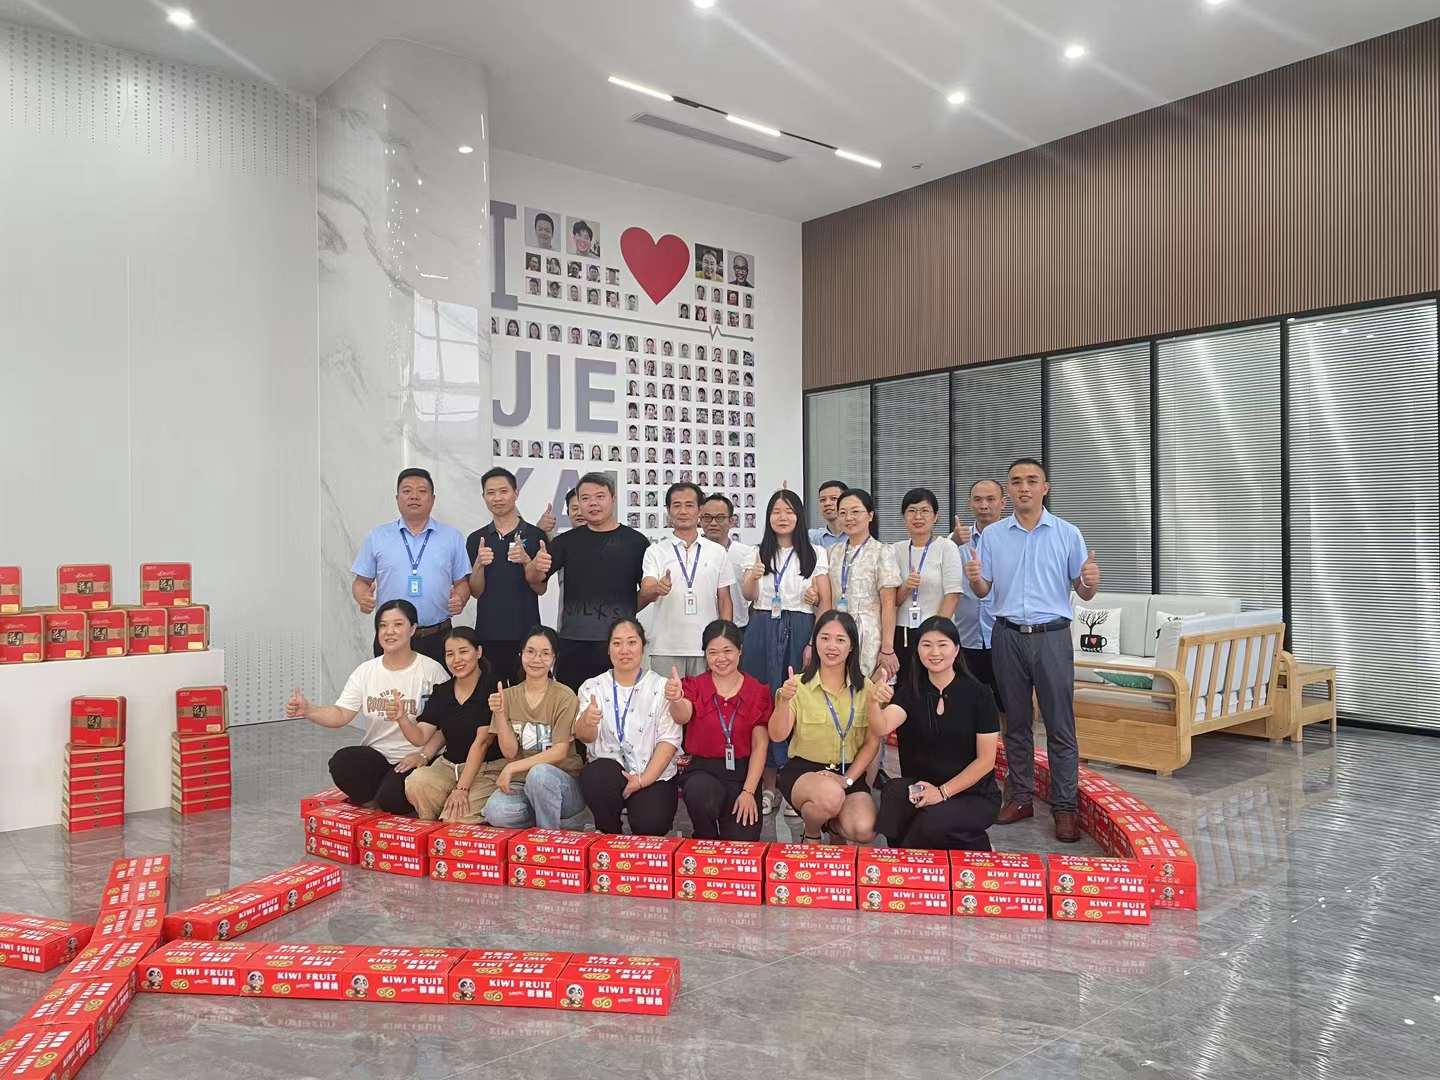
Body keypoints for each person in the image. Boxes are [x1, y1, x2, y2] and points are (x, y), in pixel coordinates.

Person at [965, 457, 1100, 843]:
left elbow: (1083, 591)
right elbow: (984, 591)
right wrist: (974, 580)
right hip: (1006, 635)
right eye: (1016, 481)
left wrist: (1090, 582)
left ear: (1045, 488)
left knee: (1060, 725)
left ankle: (1065, 807)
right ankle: (1021, 797)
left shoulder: (1067, 533)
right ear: (1009, 490)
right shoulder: (993, 536)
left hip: (1052, 636)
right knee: (1016, 724)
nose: (1024, 487)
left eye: (1031, 480)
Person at [287, 600, 446, 813]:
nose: (389, 631)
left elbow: (447, 726)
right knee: (342, 763)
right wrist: (309, 710)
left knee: (392, 799)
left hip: (416, 757)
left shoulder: (432, 671)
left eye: (398, 624)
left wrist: (423, 756)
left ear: (413, 629)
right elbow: (341, 714)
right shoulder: (366, 671)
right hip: (377, 756)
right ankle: (376, 800)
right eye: (383, 625)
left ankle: (389, 796)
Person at [872, 617, 1000, 850]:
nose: (934, 652)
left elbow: (986, 761)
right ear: (917, 650)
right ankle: (908, 860)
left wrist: (941, 793)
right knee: (893, 794)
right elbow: (882, 726)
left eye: (942, 644)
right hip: (922, 787)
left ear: (956, 649)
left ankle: (909, 862)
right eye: (926, 644)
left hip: (971, 794)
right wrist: (873, 701)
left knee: (930, 822)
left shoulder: (980, 695)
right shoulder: (910, 691)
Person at [740, 489, 831, 817]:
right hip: (762, 628)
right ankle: (766, 785)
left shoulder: (815, 553)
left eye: (789, 511)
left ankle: (794, 787)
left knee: (798, 703)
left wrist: (813, 643)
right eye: (776, 511)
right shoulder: (757, 552)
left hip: (801, 627)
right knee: (764, 702)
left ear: (799, 516)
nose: (782, 517)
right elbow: (748, 595)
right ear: (768, 517)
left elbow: (825, 603)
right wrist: (752, 577)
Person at [526, 473, 651, 690]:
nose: (593, 503)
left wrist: (628, 609)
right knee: (573, 703)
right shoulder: (566, 542)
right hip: (574, 643)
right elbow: (534, 580)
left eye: (600, 496)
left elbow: (647, 590)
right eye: (585, 498)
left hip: (619, 643)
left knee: (621, 702)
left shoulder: (636, 542)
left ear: (613, 498)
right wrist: (536, 566)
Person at [768, 611, 882, 844]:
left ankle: (833, 827)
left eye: (840, 640)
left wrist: (847, 779)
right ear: (815, 642)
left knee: (864, 829)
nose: (832, 646)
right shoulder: (797, 685)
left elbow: (872, 743)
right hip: (804, 771)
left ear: (852, 646)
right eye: (825, 638)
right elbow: (777, 735)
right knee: (829, 796)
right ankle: (812, 832)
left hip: (847, 771)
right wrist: (784, 701)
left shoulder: (867, 689)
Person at [351, 468, 470, 666]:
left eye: (422, 491)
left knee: (439, 686)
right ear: (397, 498)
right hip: (391, 636)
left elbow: (462, 583)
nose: (414, 496)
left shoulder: (451, 537)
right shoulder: (377, 536)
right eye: (407, 491)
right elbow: (361, 581)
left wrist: (460, 598)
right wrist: (362, 597)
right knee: (389, 686)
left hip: (438, 636)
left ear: (432, 499)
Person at [574, 618, 681, 835]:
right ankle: (609, 832)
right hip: (610, 773)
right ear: (608, 649)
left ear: (643, 646)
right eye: (617, 643)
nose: (624, 650)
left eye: (631, 642)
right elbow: (584, 737)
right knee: (596, 777)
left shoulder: (662, 687)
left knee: (651, 824)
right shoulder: (592, 686)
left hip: (652, 776)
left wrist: (642, 780)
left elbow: (669, 741)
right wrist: (588, 721)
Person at [667, 620, 770, 840]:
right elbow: (682, 715)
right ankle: (705, 835)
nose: (720, 658)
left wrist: (749, 791)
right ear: (705, 654)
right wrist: (676, 699)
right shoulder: (695, 685)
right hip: (703, 770)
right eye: (712, 652)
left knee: (742, 844)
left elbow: (760, 745)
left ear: (740, 650)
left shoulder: (757, 691)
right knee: (700, 793)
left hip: (743, 775)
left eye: (727, 651)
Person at [479, 627, 586, 829]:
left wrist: (511, 767)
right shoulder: (507, 696)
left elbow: (560, 751)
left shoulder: (564, 696)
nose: (537, 659)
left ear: (554, 658)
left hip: (562, 783)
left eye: (545, 653)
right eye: (530, 652)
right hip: (522, 783)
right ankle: (551, 819)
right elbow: (510, 752)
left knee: (540, 774)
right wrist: (500, 714)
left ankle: (547, 837)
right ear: (521, 654)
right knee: (496, 813)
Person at [402, 628, 501, 822]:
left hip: (485, 769)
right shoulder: (443, 691)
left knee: (456, 820)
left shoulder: (493, 687)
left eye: (463, 651)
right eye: (450, 654)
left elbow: (483, 742)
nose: (457, 660)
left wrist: (461, 789)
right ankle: (431, 824)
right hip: (448, 767)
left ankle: (449, 814)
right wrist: (401, 718)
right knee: (416, 782)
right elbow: (421, 736)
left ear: (478, 652)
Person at [466, 468, 555, 684]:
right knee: (492, 695)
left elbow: (541, 588)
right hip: (489, 633)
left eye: (503, 491)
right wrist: (479, 564)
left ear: (516, 493)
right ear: (483, 497)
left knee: (527, 694)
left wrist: (526, 561)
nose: (497, 498)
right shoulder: (476, 539)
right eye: (491, 493)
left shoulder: (535, 535)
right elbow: (476, 591)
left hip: (526, 634)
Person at [640, 483, 734, 675]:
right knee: (667, 695)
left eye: (689, 505)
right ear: (668, 510)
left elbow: (724, 599)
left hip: (706, 647)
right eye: (677, 505)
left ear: (700, 510)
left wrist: (725, 640)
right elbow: (646, 588)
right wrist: (658, 588)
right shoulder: (655, 551)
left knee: (705, 695)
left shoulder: (717, 552)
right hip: (665, 648)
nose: (683, 511)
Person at [888, 487, 963, 685]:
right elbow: (891, 601)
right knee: (905, 687)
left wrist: (935, 632)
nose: (918, 516)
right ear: (904, 516)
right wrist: (906, 587)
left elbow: (953, 594)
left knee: (934, 685)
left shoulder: (946, 547)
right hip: (903, 633)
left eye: (924, 511)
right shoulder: (895, 550)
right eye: (911, 511)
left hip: (936, 635)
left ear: (935, 516)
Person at [828, 489, 900, 682]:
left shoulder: (882, 552)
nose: (848, 518)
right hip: (837, 632)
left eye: (855, 511)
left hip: (869, 635)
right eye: (842, 513)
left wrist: (887, 648)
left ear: (870, 515)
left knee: (870, 690)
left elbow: (889, 603)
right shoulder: (832, 552)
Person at [950, 479, 1006, 706]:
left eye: (991, 499)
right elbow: (931, 567)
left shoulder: (1013, 540)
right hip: (966, 636)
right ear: (970, 503)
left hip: (1002, 635)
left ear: (1003, 503)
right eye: (978, 499)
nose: (984, 505)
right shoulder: (957, 540)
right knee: (966, 703)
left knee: (1007, 703)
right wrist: (952, 543)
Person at [700, 494, 756, 633]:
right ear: (700, 520)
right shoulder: (692, 553)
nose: (713, 523)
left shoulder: (747, 553)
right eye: (707, 518)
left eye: (720, 518)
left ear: (731, 521)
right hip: (701, 627)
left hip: (739, 628)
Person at [807, 480, 847, 549]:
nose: (827, 503)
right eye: (823, 500)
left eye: (834, 498)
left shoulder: (858, 535)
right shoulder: (812, 537)